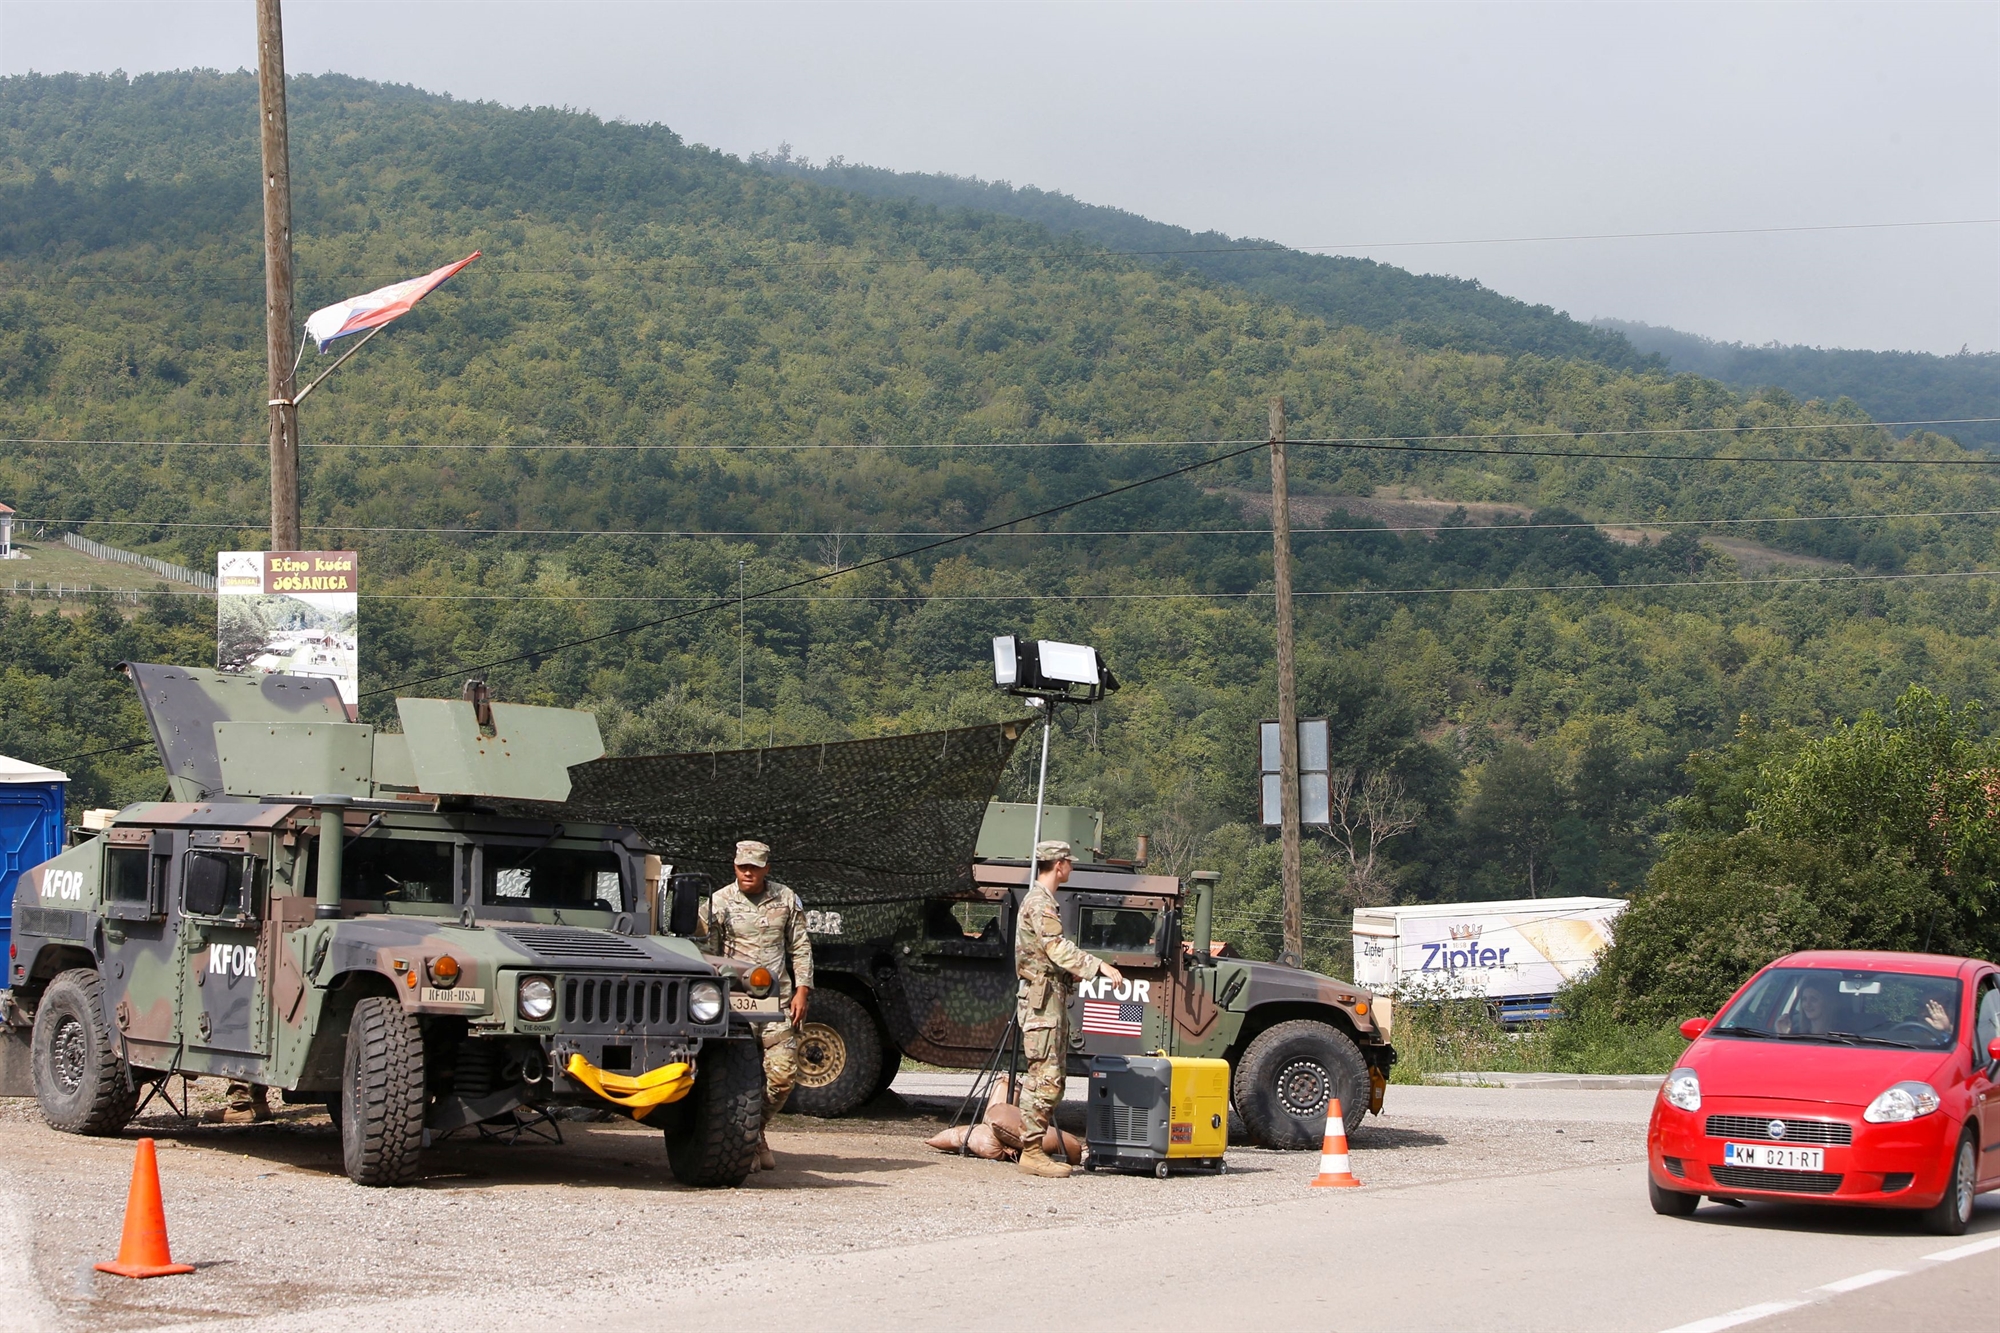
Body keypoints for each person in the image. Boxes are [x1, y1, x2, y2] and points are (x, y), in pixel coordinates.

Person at [698, 839, 812, 1172]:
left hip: (777, 1001)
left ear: (766, 868)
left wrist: (803, 990)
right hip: (735, 1004)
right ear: (734, 866)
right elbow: (708, 956)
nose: (748, 873)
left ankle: (753, 1130)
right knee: (735, 1078)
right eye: (742, 866)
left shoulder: (786, 898)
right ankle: (743, 1142)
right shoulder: (719, 902)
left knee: (782, 1075)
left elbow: (801, 947)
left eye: (755, 867)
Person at [1014, 839, 1123, 1179]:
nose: (1071, 869)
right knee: (1044, 1078)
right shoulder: (1039, 904)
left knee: (1053, 1078)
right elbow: (1056, 948)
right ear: (1058, 865)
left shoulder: (1044, 902)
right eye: (1069, 863)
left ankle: (1032, 1149)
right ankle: (1031, 1152)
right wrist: (1098, 966)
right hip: (1042, 1004)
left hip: (1050, 1001)